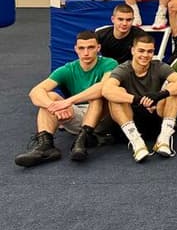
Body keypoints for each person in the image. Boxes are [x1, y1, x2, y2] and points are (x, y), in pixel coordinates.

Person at [14, 31, 117, 167]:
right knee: (50, 97)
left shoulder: (109, 63)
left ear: (98, 48)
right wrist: (53, 107)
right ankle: (46, 145)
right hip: (77, 115)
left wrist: (68, 102)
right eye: (81, 48)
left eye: (91, 47)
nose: (86, 53)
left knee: (96, 97)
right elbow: (35, 92)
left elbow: (103, 88)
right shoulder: (68, 69)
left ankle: (82, 141)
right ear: (76, 49)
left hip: (102, 118)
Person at [101, 33, 177, 162]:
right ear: (133, 51)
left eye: (149, 51)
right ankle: (137, 143)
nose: (145, 55)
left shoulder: (158, 66)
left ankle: (163, 140)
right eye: (141, 51)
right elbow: (106, 90)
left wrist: (159, 95)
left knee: (173, 90)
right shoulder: (123, 68)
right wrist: (137, 100)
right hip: (132, 118)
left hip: (156, 116)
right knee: (116, 93)